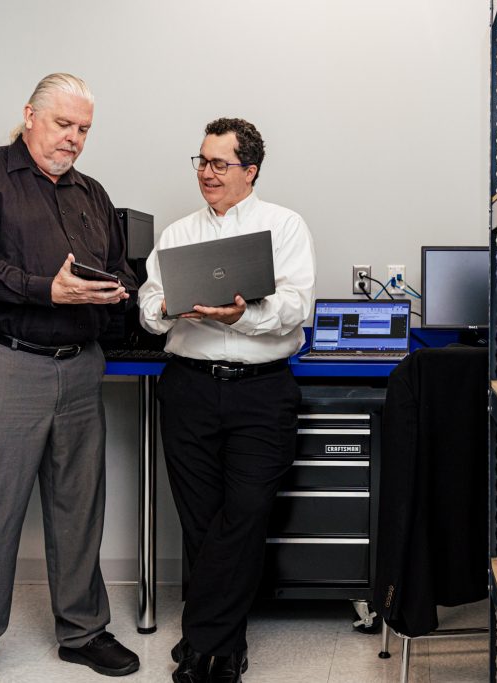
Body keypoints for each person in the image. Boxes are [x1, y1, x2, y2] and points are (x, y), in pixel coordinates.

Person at [0, 73, 140, 682]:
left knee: (79, 507)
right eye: (63, 124)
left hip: (79, 368)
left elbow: (118, 270)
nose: (74, 139)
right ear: (30, 115)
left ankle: (83, 632)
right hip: (3, 360)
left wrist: (134, 293)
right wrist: (44, 290)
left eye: (83, 129)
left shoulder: (92, 193)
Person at [138, 117, 315, 683]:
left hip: (260, 392)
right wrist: (165, 308)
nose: (207, 174)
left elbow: (296, 308)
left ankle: (200, 644)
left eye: (220, 164)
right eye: (202, 162)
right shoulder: (177, 234)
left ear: (250, 170)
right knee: (201, 523)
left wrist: (244, 315)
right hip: (188, 387)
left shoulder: (284, 227)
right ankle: (222, 652)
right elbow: (147, 306)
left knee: (243, 517)